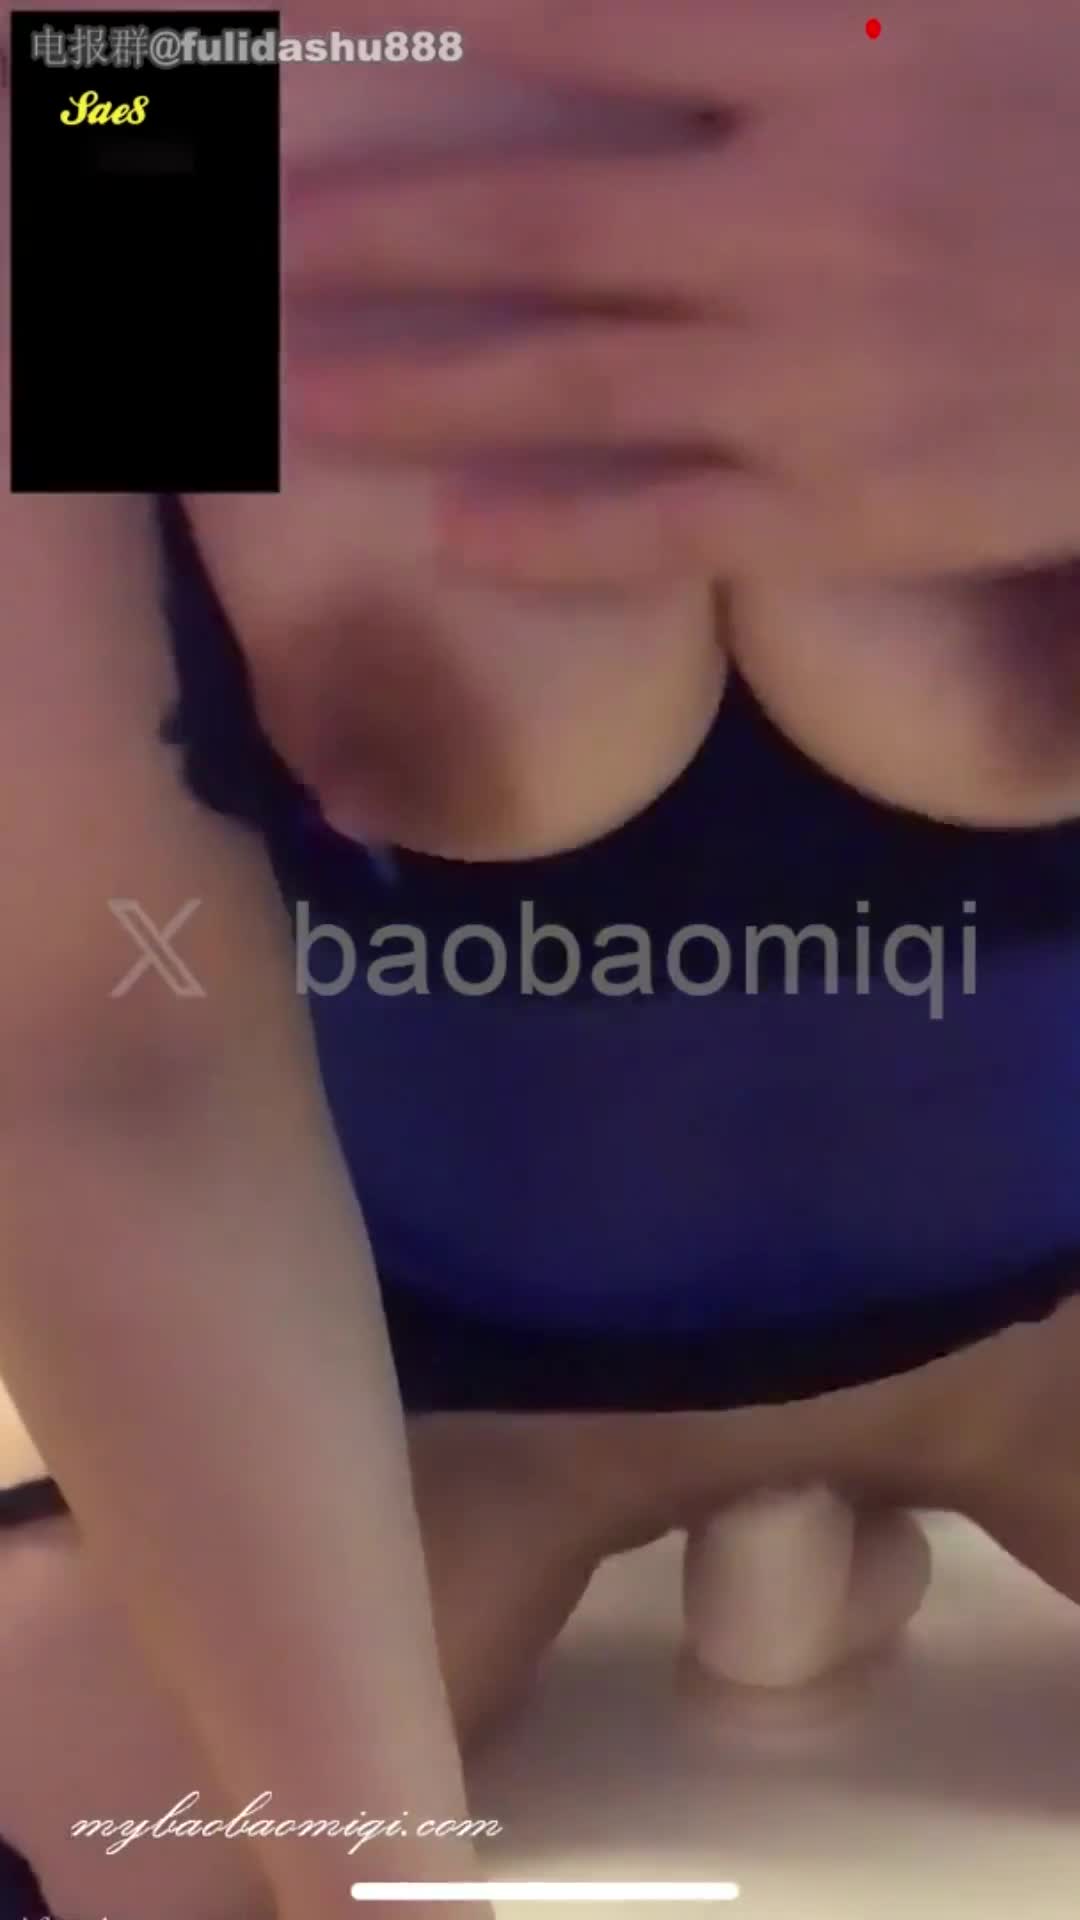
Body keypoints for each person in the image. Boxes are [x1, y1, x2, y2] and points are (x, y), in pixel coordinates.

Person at [4, 41, 1080, 1920]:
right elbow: (113, 1052)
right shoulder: (144, 95)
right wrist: (383, 1894)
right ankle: (735, 1532)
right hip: (458, 1410)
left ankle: (833, 1522)